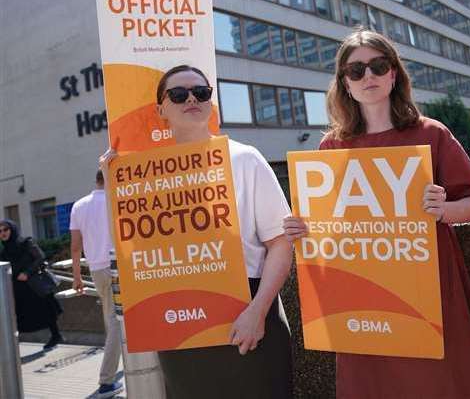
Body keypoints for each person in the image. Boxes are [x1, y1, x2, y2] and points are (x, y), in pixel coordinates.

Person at [283, 29, 470, 398]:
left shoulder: (432, 134)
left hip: (428, 292)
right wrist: (303, 228)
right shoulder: (331, 146)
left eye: (378, 66)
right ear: (344, 83)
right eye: (356, 70)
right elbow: (328, 227)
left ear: (394, 74)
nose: (369, 77)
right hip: (362, 296)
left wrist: (444, 210)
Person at [100, 65, 294, 398]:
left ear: (211, 102)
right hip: (180, 325)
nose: (191, 98)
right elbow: (135, 251)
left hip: (248, 318)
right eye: (178, 94)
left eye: (201, 92)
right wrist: (116, 185)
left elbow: (280, 242)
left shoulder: (246, 159)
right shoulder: (146, 175)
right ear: (161, 109)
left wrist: (258, 311)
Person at [69, 169, 123, 398]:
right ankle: (106, 381)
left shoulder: (79, 206)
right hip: (118, 267)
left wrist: (77, 276)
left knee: (111, 318)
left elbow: (75, 246)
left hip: (96, 269)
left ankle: (114, 372)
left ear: (96, 179)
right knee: (117, 323)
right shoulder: (117, 199)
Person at [0, 219, 63, 351]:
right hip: (17, 287)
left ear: (12, 229)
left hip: (34, 283)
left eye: (6, 229)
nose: (3, 233)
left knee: (47, 310)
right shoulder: (4, 251)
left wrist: (27, 273)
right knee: (19, 315)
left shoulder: (25, 242)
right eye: (0, 231)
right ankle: (13, 345)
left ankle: (56, 336)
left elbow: (40, 257)